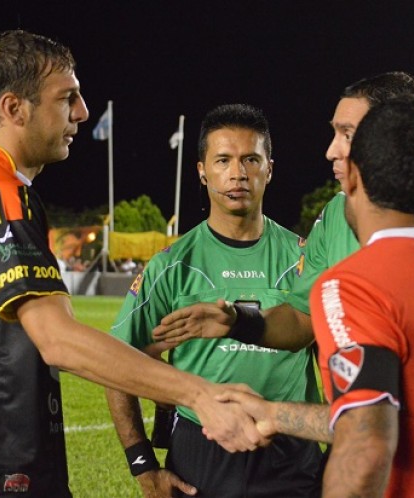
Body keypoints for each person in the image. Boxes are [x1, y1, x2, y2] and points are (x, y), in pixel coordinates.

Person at [0, 30, 265, 498]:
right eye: (67, 98)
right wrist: (198, 393)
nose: (81, 111)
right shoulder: (2, 195)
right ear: (14, 108)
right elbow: (58, 341)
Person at [153, 71, 414, 395]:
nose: (331, 150)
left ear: (396, 136)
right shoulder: (337, 213)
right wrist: (238, 321)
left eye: (346, 134)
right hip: (362, 437)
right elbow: (303, 318)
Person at [223, 97, 414, 496]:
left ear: (352, 178)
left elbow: (365, 443)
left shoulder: (355, 283)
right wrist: (274, 414)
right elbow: (402, 410)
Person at [105, 104, 323, 498]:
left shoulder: (306, 258)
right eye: (223, 160)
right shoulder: (170, 266)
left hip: (291, 451)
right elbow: (118, 365)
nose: (238, 173)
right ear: (202, 171)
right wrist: (143, 465)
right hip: (201, 451)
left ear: (269, 169)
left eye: (250, 159)